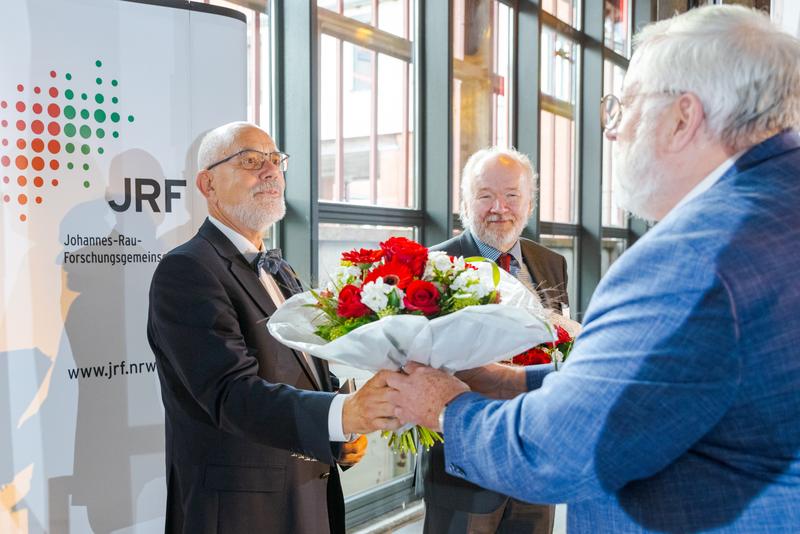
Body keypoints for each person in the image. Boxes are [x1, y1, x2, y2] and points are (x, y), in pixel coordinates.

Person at [386, 6, 800, 532]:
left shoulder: (690, 258)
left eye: (623, 105)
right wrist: (513, 380)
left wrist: (444, 407)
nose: (613, 130)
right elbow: (667, 388)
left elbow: (557, 451)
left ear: (682, 117)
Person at [147, 122, 399, 534]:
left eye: (275, 160)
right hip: (237, 512)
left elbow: (301, 369)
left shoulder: (280, 270)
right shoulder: (188, 269)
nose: (269, 171)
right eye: (250, 161)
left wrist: (341, 429)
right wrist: (342, 413)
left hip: (306, 497)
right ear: (207, 184)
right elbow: (230, 394)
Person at [423, 147, 569, 534]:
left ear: (530, 204)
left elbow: (559, 341)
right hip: (464, 463)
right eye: (485, 195)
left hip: (535, 459)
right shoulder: (434, 266)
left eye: (511, 195)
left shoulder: (552, 263)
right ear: (464, 203)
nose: (498, 207)